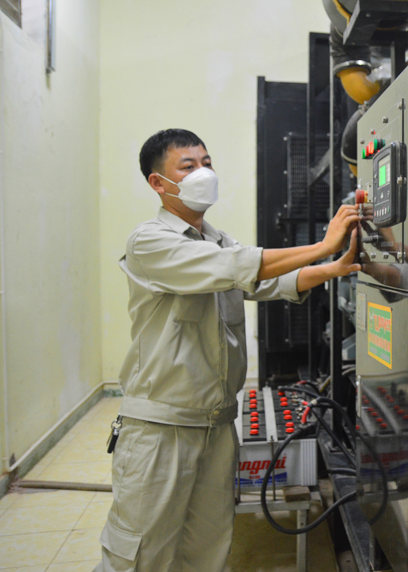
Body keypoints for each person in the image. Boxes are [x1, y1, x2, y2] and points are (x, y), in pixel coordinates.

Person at [96, 129, 359, 571]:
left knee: (207, 551)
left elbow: (268, 281)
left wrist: (335, 266)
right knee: (141, 555)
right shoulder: (150, 241)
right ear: (159, 184)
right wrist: (322, 244)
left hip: (217, 427)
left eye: (207, 162)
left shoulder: (218, 241)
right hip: (161, 430)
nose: (204, 173)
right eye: (188, 166)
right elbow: (239, 268)